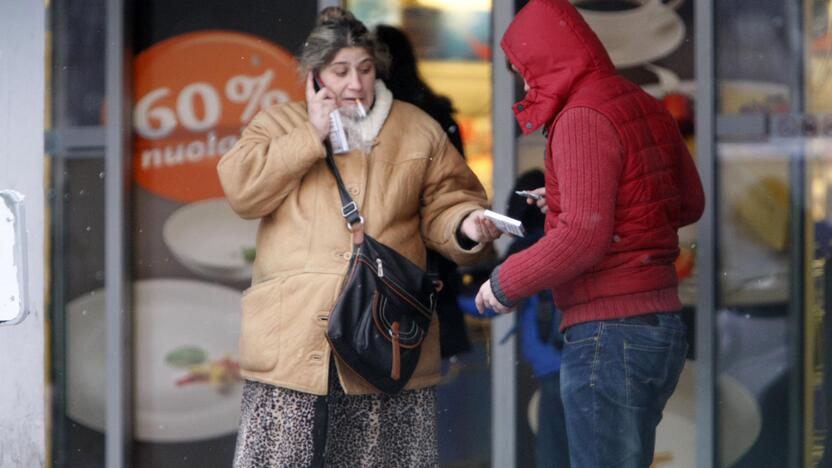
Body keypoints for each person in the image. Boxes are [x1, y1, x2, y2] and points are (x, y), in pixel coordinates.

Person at [217, 7, 500, 467]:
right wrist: (310, 132)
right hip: (292, 341)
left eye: (365, 70)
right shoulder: (278, 124)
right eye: (340, 71)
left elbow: (450, 202)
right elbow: (243, 192)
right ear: (313, 76)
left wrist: (466, 226)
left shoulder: (417, 128)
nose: (355, 84)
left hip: (383, 333)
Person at [474, 1, 706, 467]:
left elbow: (581, 237)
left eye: (525, 71)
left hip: (609, 332)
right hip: (658, 325)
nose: (526, 84)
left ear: (547, 61)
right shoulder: (641, 101)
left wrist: (503, 283)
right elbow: (687, 202)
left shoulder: (582, 116)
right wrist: (569, 195)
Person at [374, 24, 472, 359]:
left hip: (386, 263)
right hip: (430, 264)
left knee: (379, 359)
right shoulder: (436, 113)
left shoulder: (379, 121)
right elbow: (454, 190)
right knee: (423, 367)